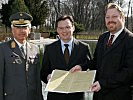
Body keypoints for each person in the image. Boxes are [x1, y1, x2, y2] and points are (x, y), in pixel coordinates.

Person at [41, 15, 92, 100]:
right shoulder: (50, 49)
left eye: (67, 27)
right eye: (61, 28)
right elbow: (43, 73)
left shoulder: (84, 48)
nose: (64, 31)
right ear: (57, 30)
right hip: (55, 96)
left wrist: (81, 67)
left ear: (73, 28)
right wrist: (48, 77)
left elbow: (90, 67)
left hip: (77, 97)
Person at [90, 3, 133, 100]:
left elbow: (129, 72)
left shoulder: (130, 40)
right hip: (99, 95)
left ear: (123, 18)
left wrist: (103, 83)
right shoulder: (103, 37)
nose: (110, 20)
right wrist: (81, 67)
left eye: (114, 16)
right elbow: (96, 61)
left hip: (119, 96)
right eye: (107, 17)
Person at [0, 12, 43, 100]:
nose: (21, 30)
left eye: (24, 27)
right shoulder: (3, 49)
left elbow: (37, 79)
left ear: (29, 30)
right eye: (18, 27)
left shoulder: (35, 49)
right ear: (12, 30)